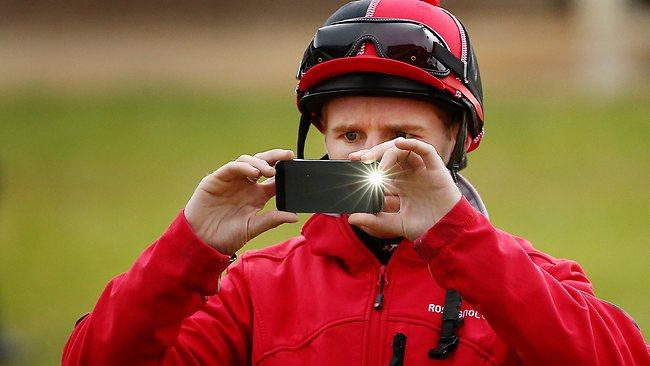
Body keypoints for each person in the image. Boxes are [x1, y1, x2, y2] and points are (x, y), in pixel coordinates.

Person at [62, 0, 649, 364]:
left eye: (401, 137)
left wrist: (460, 242)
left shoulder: (534, 281)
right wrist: (189, 247)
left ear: (457, 142)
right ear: (319, 142)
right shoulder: (253, 291)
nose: (373, 157)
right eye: (348, 136)